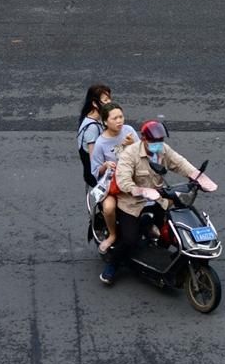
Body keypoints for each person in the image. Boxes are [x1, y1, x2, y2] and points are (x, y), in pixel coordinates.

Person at [98, 119, 217, 285]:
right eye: (154, 141)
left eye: (161, 141)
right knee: (129, 240)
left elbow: (180, 163)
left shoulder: (162, 150)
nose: (158, 145)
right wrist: (140, 191)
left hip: (159, 198)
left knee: (171, 228)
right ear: (144, 139)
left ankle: (159, 252)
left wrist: (199, 177)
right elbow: (123, 181)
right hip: (132, 203)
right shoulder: (130, 154)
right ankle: (113, 263)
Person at [91, 102, 139, 255]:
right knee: (109, 208)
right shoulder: (100, 143)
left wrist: (133, 145)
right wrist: (105, 165)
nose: (119, 121)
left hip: (131, 178)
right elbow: (95, 171)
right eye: (115, 118)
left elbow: (142, 153)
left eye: (121, 117)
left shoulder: (129, 131)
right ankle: (112, 234)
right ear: (105, 122)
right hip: (112, 184)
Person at [77, 83, 112, 187]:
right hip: (96, 175)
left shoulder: (97, 118)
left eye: (109, 99)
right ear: (95, 104)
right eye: (105, 100)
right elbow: (94, 161)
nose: (109, 102)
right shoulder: (92, 128)